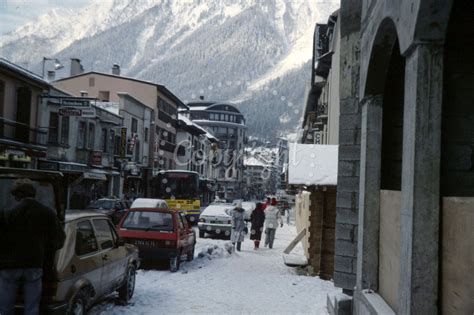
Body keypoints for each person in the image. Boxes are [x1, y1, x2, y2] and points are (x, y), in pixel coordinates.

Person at [0, 179, 65, 315]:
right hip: (35, 264)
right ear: (33, 194)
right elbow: (59, 239)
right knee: (32, 307)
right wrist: (45, 252)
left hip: (9, 266)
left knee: (5, 306)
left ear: (18, 195)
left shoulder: (7, 213)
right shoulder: (47, 213)